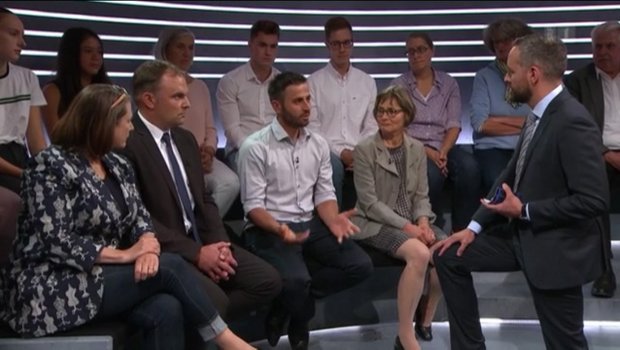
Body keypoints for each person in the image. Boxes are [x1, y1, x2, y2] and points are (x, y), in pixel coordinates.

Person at [0, 84, 255, 349]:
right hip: (50, 284)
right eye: (126, 121)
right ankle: (229, 342)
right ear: (103, 123)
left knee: (166, 308)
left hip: (102, 275)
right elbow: (56, 240)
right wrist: (126, 255)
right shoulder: (50, 165)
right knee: (170, 267)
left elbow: (140, 218)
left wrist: (146, 247)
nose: (132, 128)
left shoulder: (118, 165)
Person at [434, 34, 609, 350]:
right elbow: (509, 176)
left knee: (565, 343)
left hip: (556, 248)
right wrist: (473, 228)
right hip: (521, 237)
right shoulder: (536, 114)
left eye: (511, 71)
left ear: (533, 74)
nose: (505, 77)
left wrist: (524, 211)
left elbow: (593, 200)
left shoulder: (572, 121)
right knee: (448, 256)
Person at [121, 60, 281, 322]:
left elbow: (204, 200)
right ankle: (206, 319)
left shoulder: (184, 139)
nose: (188, 103)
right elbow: (138, 219)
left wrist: (220, 246)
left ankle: (199, 321)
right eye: (178, 96)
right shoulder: (126, 143)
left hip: (202, 239)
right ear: (149, 99)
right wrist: (197, 254)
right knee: (214, 303)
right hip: (164, 251)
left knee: (268, 281)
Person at [238, 71, 373, 350]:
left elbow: (324, 193)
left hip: (310, 221)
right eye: (298, 101)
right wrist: (279, 229)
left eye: (308, 98)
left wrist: (333, 219)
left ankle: (292, 302)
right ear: (277, 106)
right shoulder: (255, 147)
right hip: (269, 227)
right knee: (296, 281)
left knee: (360, 266)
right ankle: (299, 319)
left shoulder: (318, 143)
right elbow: (253, 206)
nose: (307, 106)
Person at [352, 85, 446, 350]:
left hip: (413, 221)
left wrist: (424, 223)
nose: (385, 116)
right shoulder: (364, 150)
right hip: (375, 223)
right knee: (419, 253)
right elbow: (370, 204)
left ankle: (425, 318)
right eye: (381, 111)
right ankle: (405, 335)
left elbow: (421, 195)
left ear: (407, 115)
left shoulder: (416, 148)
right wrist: (410, 228)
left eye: (392, 111)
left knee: (446, 250)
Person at [391, 31, 480, 233]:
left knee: (470, 168)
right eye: (411, 52)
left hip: (444, 145)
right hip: (412, 147)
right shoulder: (399, 85)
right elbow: (397, 129)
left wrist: (443, 152)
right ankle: (431, 231)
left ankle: (462, 232)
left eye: (421, 49)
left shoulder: (448, 83)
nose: (416, 55)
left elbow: (454, 124)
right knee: (432, 175)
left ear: (432, 51)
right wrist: (429, 153)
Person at [154, 27, 240, 218]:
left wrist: (209, 151)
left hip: (203, 157)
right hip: (172, 157)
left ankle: (202, 227)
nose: (187, 53)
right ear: (166, 49)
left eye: (191, 48)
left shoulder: (200, 86)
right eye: (181, 47)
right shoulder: (154, 86)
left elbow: (210, 128)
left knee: (230, 183)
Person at [564, 20, 620, 298]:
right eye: (598, 46)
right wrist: (607, 154)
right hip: (598, 156)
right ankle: (604, 273)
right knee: (592, 190)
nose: (603, 52)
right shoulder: (576, 82)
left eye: (610, 46)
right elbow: (578, 129)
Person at [307, 16, 377, 211]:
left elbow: (372, 124)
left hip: (361, 149)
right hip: (326, 150)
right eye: (336, 44)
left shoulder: (367, 82)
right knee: (334, 168)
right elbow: (312, 127)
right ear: (327, 45)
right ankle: (333, 230)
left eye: (347, 43)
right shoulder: (313, 82)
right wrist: (341, 152)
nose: (342, 49)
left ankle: (369, 232)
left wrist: (358, 152)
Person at [470, 18, 533, 194]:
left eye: (506, 40)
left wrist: (497, 120)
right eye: (496, 41)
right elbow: (480, 124)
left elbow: (543, 119)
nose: (500, 45)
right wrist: (527, 123)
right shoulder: (484, 76)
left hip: (528, 146)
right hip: (492, 148)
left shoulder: (533, 74)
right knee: (499, 185)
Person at [217, 19, 280, 172]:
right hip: (241, 149)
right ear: (250, 45)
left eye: (273, 46)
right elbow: (233, 131)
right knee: (255, 170)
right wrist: (256, 150)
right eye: (262, 45)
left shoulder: (282, 82)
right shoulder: (230, 81)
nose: (268, 52)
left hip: (277, 149)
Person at [0, 7, 46, 194]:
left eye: (23, 35)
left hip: (18, 157)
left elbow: (36, 141)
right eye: (13, 34)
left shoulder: (28, 78)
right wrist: (25, 175)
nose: (23, 42)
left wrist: (48, 169)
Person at [41, 27, 112, 134]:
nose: (96, 57)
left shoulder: (108, 90)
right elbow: (56, 137)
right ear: (72, 53)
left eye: (99, 52)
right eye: (88, 51)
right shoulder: (53, 91)